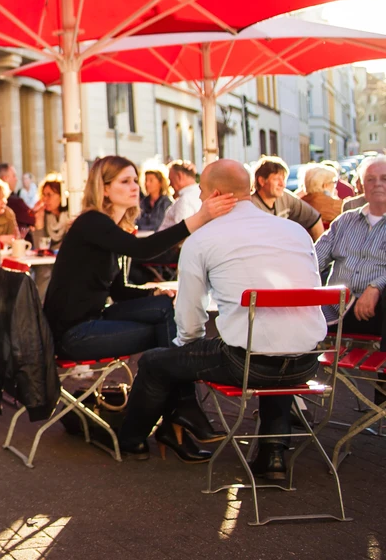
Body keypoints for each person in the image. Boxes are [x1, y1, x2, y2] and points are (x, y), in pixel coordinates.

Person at [118, 160, 326, 475]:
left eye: (201, 192)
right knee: (279, 341)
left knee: (154, 361)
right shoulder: (295, 231)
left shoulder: (203, 238)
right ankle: (273, 454)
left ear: (215, 193)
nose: (201, 199)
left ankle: (131, 440)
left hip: (246, 364)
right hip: (309, 360)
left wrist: (185, 353)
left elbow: (189, 320)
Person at [43, 156, 235, 361]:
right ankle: (177, 388)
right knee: (168, 331)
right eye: (125, 182)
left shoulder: (114, 229)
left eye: (135, 180)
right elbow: (143, 249)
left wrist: (154, 292)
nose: (135, 187)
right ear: (104, 189)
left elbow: (119, 291)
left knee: (165, 305)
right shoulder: (91, 222)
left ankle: (170, 388)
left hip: (95, 318)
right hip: (72, 334)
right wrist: (200, 217)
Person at [316, 156, 386, 341]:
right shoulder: (346, 221)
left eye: (384, 178)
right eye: (370, 179)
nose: (378, 184)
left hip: (376, 311)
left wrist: (376, 286)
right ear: (361, 186)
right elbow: (314, 259)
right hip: (333, 309)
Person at [251, 156, 324, 241]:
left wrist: (319, 251)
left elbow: (313, 217)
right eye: (277, 179)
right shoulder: (251, 205)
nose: (282, 184)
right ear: (262, 181)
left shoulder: (285, 197)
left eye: (284, 179)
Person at [158, 160, 201, 232]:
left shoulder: (185, 200)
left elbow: (182, 234)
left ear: (179, 176)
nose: (170, 184)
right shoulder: (200, 194)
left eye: (171, 179)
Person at [0, 162, 35, 230]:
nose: (16, 179)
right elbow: (32, 217)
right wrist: (35, 211)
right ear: (5, 178)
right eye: (14, 176)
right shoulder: (14, 202)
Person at [31, 174, 69, 249]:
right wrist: (39, 224)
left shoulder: (71, 214)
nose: (45, 199)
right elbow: (39, 247)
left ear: (61, 196)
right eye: (44, 195)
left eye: (49, 195)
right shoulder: (44, 215)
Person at [300, 163, 343, 230]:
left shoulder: (299, 204)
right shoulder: (337, 205)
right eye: (334, 182)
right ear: (325, 185)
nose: (335, 186)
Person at [137, 166, 173, 232]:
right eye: (146, 180)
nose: (147, 184)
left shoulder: (166, 203)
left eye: (151, 180)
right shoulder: (142, 203)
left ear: (160, 183)